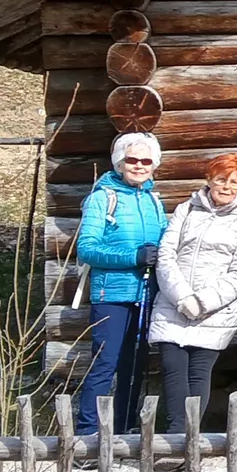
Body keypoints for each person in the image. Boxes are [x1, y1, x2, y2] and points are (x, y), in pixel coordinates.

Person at [148, 153, 237, 448]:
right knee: (172, 365)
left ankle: (188, 438)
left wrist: (205, 301)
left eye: (234, 182)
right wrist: (182, 296)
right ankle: (176, 437)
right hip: (174, 302)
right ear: (209, 180)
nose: (226, 186)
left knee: (198, 370)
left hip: (216, 309)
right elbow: (166, 254)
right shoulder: (186, 209)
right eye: (221, 179)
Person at [74, 132, 168, 442]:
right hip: (111, 294)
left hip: (145, 292)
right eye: (132, 160)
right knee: (105, 363)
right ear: (119, 162)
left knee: (135, 364)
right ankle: (88, 434)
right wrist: (134, 257)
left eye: (145, 161)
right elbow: (86, 248)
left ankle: (125, 429)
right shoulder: (104, 197)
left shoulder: (154, 200)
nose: (139, 166)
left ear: (154, 165)